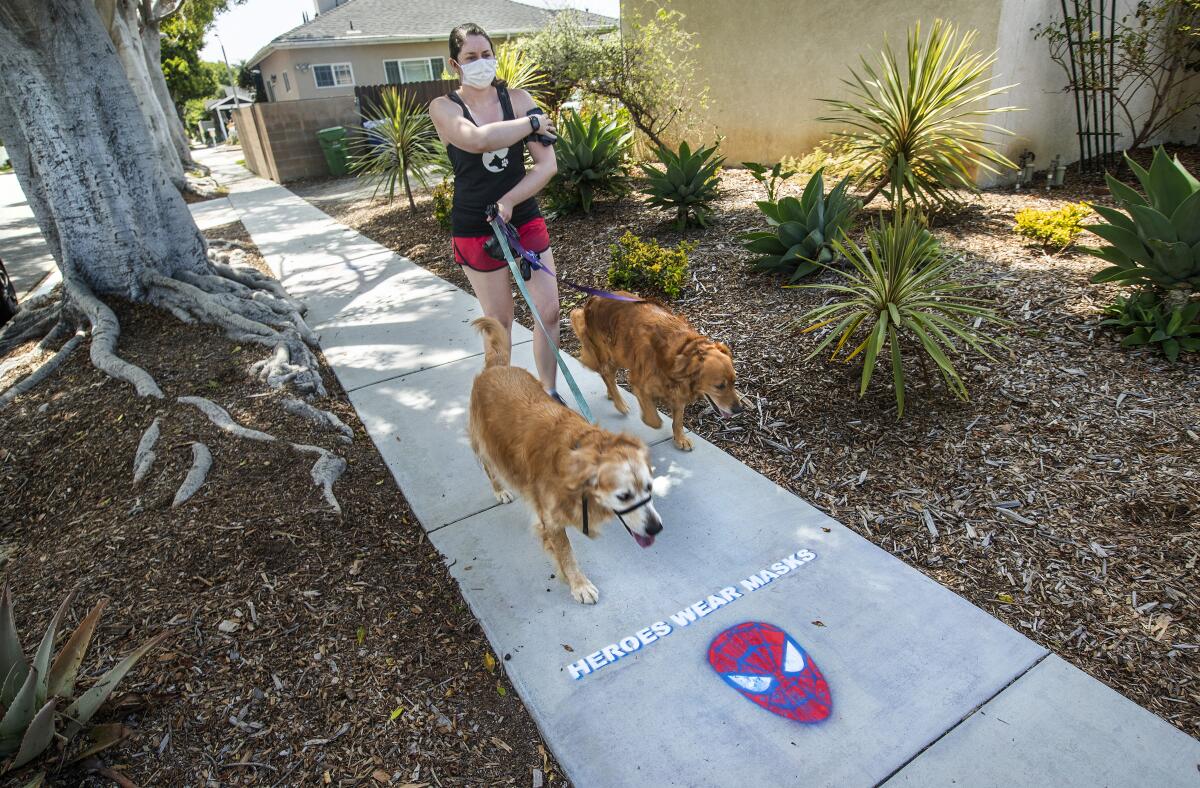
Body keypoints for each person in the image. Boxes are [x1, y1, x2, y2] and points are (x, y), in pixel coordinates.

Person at [429, 23, 563, 402]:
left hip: (523, 217)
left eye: (486, 54)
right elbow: (478, 140)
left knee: (549, 311)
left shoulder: (519, 99)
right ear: (454, 64)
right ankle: (501, 405)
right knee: (499, 324)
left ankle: (548, 393)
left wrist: (508, 202)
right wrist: (534, 122)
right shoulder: (444, 107)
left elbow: (545, 165)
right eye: (471, 57)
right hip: (474, 226)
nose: (481, 62)